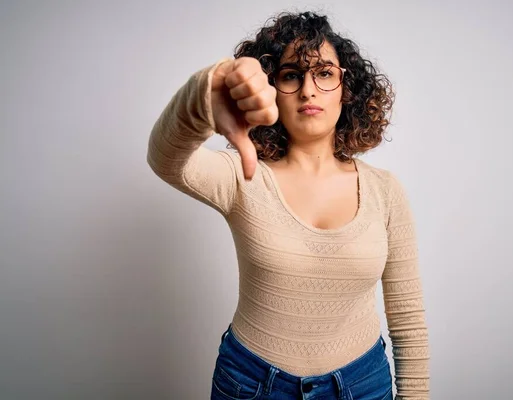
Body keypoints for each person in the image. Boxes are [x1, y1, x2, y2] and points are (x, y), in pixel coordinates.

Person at [147, 10, 430, 400]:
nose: (308, 90)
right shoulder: (243, 175)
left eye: (325, 73)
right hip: (250, 384)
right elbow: (165, 158)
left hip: (363, 384)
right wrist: (204, 94)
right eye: (291, 74)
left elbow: (407, 319)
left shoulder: (386, 190)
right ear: (271, 87)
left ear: (347, 88)